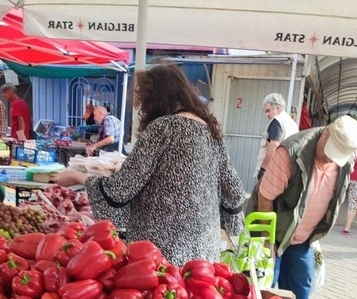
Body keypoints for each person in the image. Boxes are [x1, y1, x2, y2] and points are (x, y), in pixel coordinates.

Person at [50, 61, 245, 267]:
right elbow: (235, 191)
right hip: (204, 253)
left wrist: (75, 177)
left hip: (161, 253)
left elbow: (120, 188)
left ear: (156, 99)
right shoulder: (208, 130)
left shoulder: (163, 127)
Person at [257, 116, 357, 299]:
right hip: (275, 232)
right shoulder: (291, 152)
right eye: (330, 152)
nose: (330, 159)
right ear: (325, 133)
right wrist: (267, 240)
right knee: (266, 284)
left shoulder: (346, 156)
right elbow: (265, 197)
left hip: (304, 235)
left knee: (301, 282)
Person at [254, 93, 299, 181]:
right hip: (286, 172)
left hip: (272, 172)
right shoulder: (292, 123)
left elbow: (273, 145)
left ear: (278, 108)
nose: (266, 114)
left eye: (268, 110)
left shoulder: (277, 121)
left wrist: (263, 169)